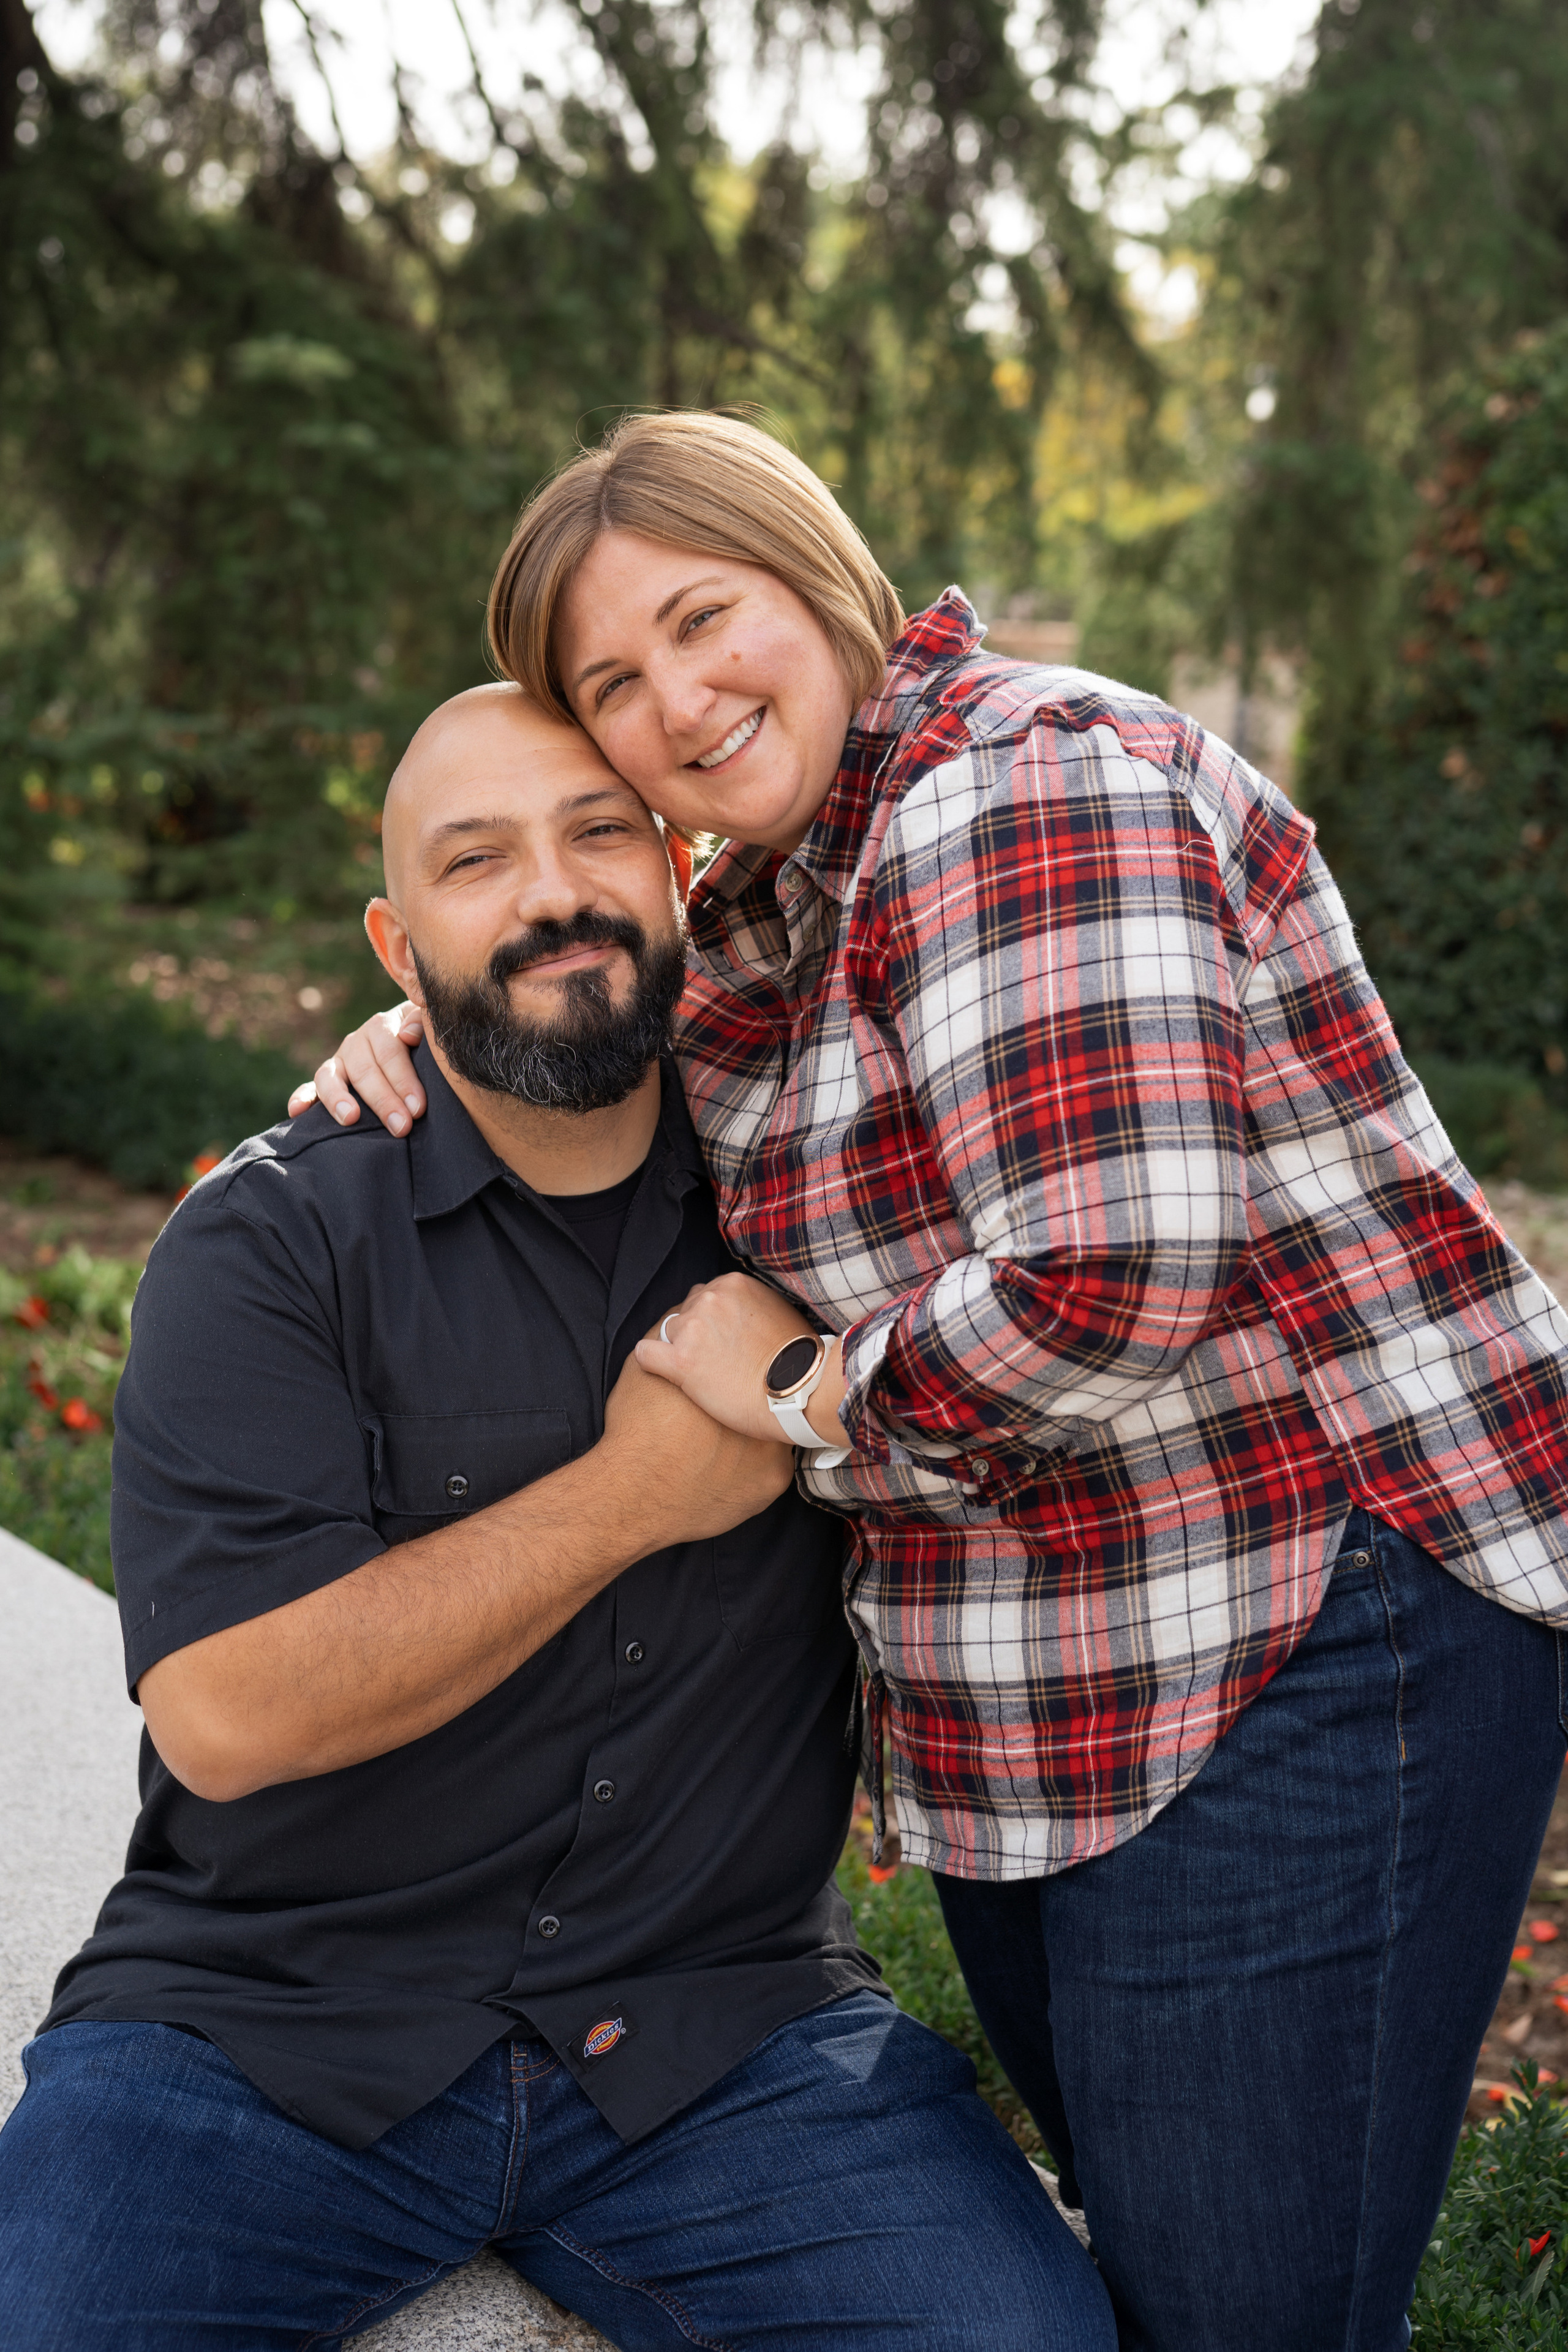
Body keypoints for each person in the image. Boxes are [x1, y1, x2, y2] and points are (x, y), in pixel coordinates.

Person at [316, 409, 1568, 2352]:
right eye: (613, 684)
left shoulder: (1021, 784)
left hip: (1307, 1632)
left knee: (1247, 2316)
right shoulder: (788, 889)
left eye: (705, 616)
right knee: (1199, 2279)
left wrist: (808, 1393)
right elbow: (601, 1043)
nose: (682, 701)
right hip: (1070, 1685)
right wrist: (421, 1027)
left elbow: (1120, 1271)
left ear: (818, 571)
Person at [0, 685, 1112, 2352]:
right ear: (397, 939)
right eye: (477, 860)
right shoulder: (272, 1244)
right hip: (268, 2031)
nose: (551, 894)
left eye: (600, 835)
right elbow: (226, 1715)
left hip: (726, 2041)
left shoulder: (827, 1209)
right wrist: (631, 1501)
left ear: (679, 876)